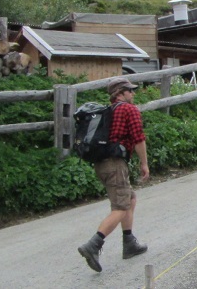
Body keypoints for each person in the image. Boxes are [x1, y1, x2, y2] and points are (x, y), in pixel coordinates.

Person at [77, 77, 150, 272]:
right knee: (120, 206)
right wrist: (144, 163)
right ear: (120, 93)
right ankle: (93, 245)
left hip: (101, 164)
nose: (133, 94)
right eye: (130, 90)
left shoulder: (109, 111)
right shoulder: (128, 109)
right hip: (115, 163)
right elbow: (138, 138)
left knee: (130, 199)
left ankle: (129, 242)